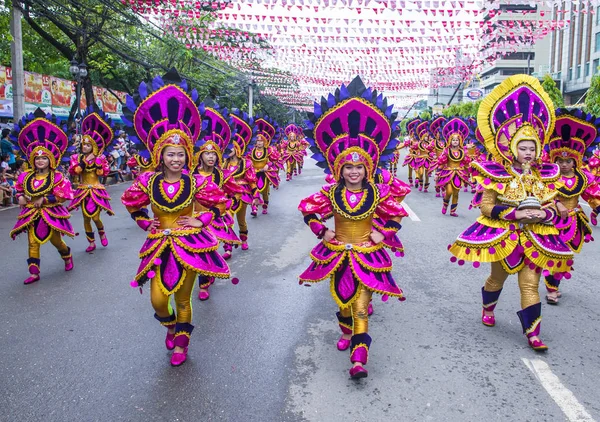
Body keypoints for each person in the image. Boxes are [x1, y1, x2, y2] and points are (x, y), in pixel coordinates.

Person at [448, 75, 574, 351]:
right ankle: (488, 308)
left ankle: (533, 334)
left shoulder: (546, 175)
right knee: (497, 279)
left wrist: (546, 216)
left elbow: (553, 206)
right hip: (506, 238)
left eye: (532, 148)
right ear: (512, 149)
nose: (527, 153)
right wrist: (515, 215)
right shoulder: (497, 173)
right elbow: (486, 207)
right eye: (523, 148)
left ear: (538, 149)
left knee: (530, 285)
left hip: (536, 238)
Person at [298, 76, 409, 378]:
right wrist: (322, 231)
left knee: (361, 306)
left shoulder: (378, 192)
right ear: (339, 169)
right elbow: (308, 211)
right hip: (337, 253)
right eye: (348, 167)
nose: (354, 171)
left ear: (367, 168)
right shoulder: (330, 194)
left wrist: (383, 232)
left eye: (359, 167)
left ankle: (358, 358)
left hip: (368, 253)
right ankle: (346, 331)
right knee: (344, 303)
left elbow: (397, 215)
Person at [121, 70, 231, 367]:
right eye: (170, 154)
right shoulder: (147, 181)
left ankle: (182, 343)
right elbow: (132, 204)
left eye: (181, 154)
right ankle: (170, 326)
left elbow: (221, 203)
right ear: (160, 155)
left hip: (189, 245)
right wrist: (145, 222)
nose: (176, 159)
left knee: (183, 298)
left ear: (187, 156)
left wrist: (201, 220)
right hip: (158, 244)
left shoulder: (197, 182)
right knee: (158, 300)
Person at [9, 108, 75, 284]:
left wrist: (44, 199)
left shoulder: (58, 176)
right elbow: (19, 188)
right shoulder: (26, 176)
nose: (40, 161)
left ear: (51, 160)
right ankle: (34, 273)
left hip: (50, 214)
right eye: (37, 158)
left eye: (44, 158)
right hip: (31, 213)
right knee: (32, 242)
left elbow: (64, 194)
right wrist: (20, 197)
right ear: (32, 159)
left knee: (56, 241)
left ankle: (67, 256)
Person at [543, 108, 600, 304]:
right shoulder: (549, 177)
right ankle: (551, 289)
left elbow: (592, 196)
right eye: (560, 160)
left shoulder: (583, 178)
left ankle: (554, 285)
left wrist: (596, 205)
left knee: (566, 255)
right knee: (553, 252)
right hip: (551, 219)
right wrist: (556, 203)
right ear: (554, 160)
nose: (565, 164)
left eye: (568, 161)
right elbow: (542, 195)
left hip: (574, 221)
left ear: (575, 162)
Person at [192, 104, 243, 300]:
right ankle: (204, 282)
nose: (211, 157)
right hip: (195, 219)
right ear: (200, 155)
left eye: (214, 154)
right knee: (202, 252)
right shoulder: (191, 176)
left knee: (209, 250)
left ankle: (205, 281)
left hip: (214, 216)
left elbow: (236, 192)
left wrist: (228, 207)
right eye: (207, 153)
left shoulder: (221, 175)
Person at [68, 108, 115, 253]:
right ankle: (91, 242)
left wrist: (97, 162)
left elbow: (102, 173)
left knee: (95, 217)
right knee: (86, 218)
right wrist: (85, 161)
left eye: (88, 145)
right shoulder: (76, 158)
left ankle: (101, 232)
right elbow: (75, 171)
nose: (85, 147)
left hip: (95, 190)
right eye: (84, 145)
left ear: (93, 147)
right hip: (82, 191)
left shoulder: (100, 158)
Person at [224, 109, 261, 252]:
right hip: (227, 196)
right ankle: (228, 248)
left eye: (231, 148)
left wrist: (255, 196)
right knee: (228, 221)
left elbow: (252, 181)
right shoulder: (223, 165)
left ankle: (244, 240)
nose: (229, 151)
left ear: (237, 149)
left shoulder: (246, 163)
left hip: (242, 195)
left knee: (241, 221)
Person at [435, 117, 472, 217]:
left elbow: (466, 164)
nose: (455, 141)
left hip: (459, 174)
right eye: (453, 140)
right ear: (450, 141)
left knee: (456, 193)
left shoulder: (462, 152)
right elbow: (441, 163)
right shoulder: (447, 151)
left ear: (460, 141)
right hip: (448, 173)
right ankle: (445, 204)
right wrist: (437, 174)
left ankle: (452, 211)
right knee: (449, 191)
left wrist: (471, 172)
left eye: (457, 140)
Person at [249, 117, 281, 215]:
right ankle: (254, 209)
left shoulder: (269, 150)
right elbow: (247, 160)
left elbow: (274, 160)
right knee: (254, 191)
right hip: (253, 174)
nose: (259, 142)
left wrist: (268, 165)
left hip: (264, 173)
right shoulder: (251, 151)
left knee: (264, 192)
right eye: (257, 141)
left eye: (261, 141)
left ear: (264, 142)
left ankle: (265, 206)